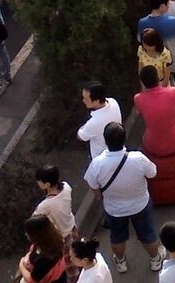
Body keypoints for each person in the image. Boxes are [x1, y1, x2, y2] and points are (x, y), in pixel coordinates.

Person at [83, 123, 162, 274]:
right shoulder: (138, 158)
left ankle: (121, 262)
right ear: (124, 139)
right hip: (140, 205)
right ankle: (155, 259)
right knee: (147, 234)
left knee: (117, 237)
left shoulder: (97, 164)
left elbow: (93, 184)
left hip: (114, 210)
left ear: (105, 141)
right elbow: (153, 173)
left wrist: (99, 196)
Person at [35, 166, 80, 283]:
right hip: (73, 228)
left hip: (63, 237)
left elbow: (34, 219)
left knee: (70, 266)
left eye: (39, 181)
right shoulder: (66, 187)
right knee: (77, 254)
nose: (38, 183)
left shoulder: (45, 205)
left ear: (47, 184)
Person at [77, 81, 122, 159]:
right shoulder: (113, 102)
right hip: (118, 152)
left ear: (97, 101)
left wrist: (83, 126)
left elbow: (80, 136)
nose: (83, 101)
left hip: (100, 158)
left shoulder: (94, 123)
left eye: (86, 99)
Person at [19, 215, 69, 283]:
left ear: (36, 235)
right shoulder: (54, 242)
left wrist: (21, 265)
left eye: (28, 232)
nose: (26, 234)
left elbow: (32, 280)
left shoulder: (45, 259)